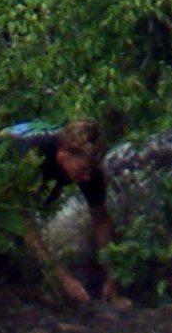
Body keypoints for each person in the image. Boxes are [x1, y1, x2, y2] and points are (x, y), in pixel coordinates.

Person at [21, 117, 129, 313]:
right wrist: (62, 277)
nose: (86, 177)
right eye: (82, 169)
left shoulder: (90, 171)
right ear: (63, 154)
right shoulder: (34, 157)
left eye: (90, 171)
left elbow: (101, 221)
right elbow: (23, 224)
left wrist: (111, 276)